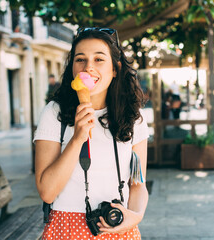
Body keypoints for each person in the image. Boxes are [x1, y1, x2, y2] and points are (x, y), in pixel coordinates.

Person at [34, 27, 149, 239]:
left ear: (115, 69)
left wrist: (136, 215)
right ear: (72, 69)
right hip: (65, 228)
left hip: (118, 227)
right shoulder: (54, 113)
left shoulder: (133, 116)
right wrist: (78, 137)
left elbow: (138, 184)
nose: (88, 67)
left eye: (99, 59)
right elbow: (47, 192)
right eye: (80, 59)